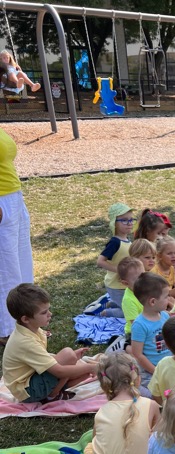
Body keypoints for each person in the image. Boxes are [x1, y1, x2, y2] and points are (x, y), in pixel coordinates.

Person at [81, 353, 159, 454]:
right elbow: (161, 438)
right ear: (137, 378)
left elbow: (94, 439)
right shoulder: (151, 405)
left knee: (92, 446)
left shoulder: (102, 410)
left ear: (105, 384)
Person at [3, 284, 94, 402]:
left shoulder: (32, 329)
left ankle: (53, 393)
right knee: (69, 356)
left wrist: (78, 363)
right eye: (44, 312)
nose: (50, 314)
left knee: (83, 373)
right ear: (25, 319)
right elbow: (59, 371)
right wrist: (92, 367)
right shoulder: (25, 341)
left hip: (32, 379)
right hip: (27, 391)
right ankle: (52, 396)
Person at [0, 126, 32, 345]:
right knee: (6, 269)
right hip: (2, 202)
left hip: (13, 198)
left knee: (21, 264)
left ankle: (24, 321)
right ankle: (6, 329)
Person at [130, 272, 171, 387]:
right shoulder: (139, 325)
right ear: (153, 301)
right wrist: (156, 372)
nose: (169, 299)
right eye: (166, 297)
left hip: (170, 364)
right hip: (151, 370)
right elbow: (138, 354)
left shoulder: (165, 315)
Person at [96, 203, 134, 318]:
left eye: (131, 219)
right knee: (129, 312)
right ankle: (104, 312)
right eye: (124, 220)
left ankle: (110, 304)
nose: (129, 223)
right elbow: (100, 261)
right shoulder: (115, 242)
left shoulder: (127, 240)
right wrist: (119, 270)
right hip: (116, 285)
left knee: (133, 304)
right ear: (115, 224)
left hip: (124, 284)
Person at [117, 257, 145, 346]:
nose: (143, 280)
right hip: (134, 332)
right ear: (125, 283)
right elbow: (136, 325)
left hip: (149, 323)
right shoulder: (128, 301)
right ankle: (124, 347)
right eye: (138, 279)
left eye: (143, 276)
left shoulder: (145, 288)